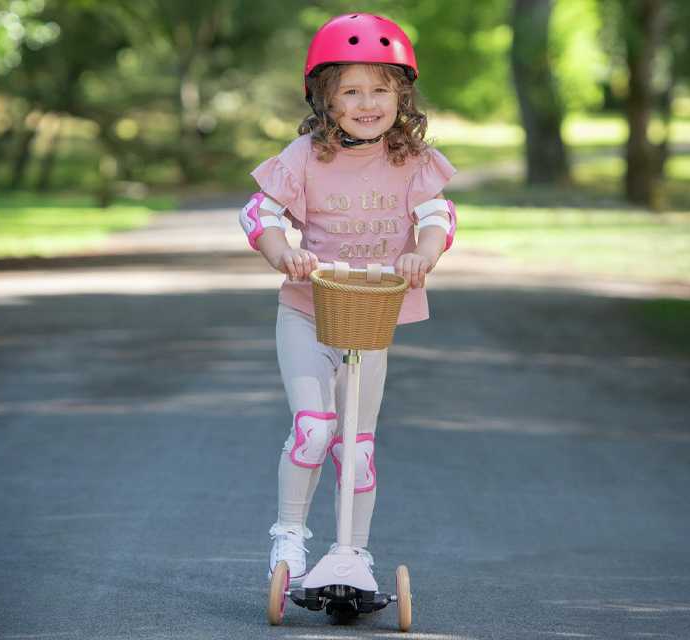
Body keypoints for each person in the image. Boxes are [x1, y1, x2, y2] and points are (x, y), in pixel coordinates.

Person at [238, 12, 458, 585]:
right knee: (315, 428)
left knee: (357, 447)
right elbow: (258, 212)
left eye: (381, 89)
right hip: (308, 312)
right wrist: (281, 250)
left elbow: (438, 217)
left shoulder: (410, 160)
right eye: (351, 91)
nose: (368, 102)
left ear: (402, 95)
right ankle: (289, 537)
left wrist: (423, 255)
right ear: (324, 100)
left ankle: (354, 551)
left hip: (370, 318)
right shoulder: (306, 155)